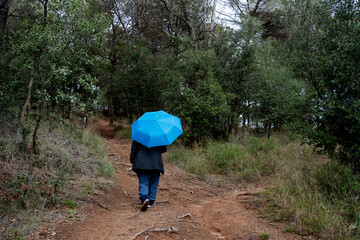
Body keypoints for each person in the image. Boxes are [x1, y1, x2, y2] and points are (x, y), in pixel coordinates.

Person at [130, 140, 167, 211]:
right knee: (154, 181)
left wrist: (132, 160)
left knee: (143, 181)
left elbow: (134, 149)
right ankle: (151, 200)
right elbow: (163, 149)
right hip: (156, 163)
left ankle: (144, 198)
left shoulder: (139, 135)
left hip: (142, 162)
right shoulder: (159, 135)